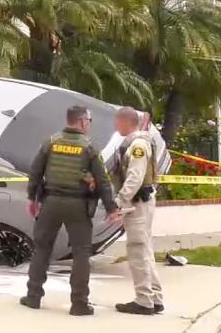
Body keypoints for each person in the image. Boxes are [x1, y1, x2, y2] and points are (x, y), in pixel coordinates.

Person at [21, 105, 123, 316]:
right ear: (82, 121)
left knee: (41, 249)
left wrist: (32, 198)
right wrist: (111, 208)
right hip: (78, 206)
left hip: (50, 203)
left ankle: (33, 297)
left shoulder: (50, 142)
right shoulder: (88, 147)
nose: (89, 125)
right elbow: (103, 182)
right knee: (81, 253)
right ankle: (79, 304)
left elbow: (35, 172)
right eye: (89, 121)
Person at [110, 107, 163, 315]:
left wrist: (119, 202)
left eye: (117, 123)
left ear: (125, 122)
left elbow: (135, 177)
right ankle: (154, 297)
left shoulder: (138, 145)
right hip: (141, 202)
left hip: (137, 204)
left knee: (138, 252)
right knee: (145, 251)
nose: (116, 127)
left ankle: (144, 300)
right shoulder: (137, 142)